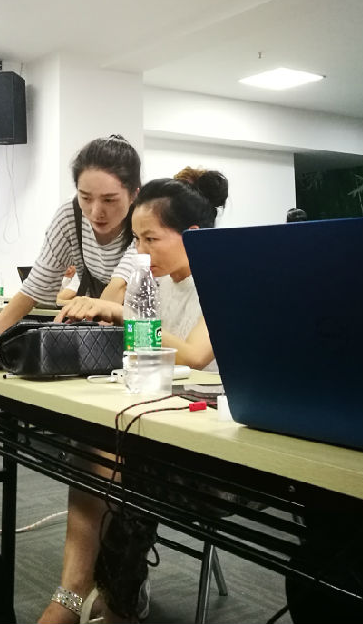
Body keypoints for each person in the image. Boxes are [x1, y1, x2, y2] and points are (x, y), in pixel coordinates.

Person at [40, 168, 228, 624]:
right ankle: (82, 593)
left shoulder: (224, 277)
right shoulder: (156, 283)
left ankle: (107, 599)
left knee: (117, 455)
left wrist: (123, 313)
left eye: (151, 239)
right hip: (164, 421)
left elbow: (196, 355)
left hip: (214, 442)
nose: (141, 252)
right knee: (95, 442)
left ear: (192, 235)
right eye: (137, 240)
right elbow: (144, 348)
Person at [0, 135, 142, 344]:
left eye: (109, 200)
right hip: (102, 335)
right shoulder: (71, 215)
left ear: (134, 195)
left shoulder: (145, 222)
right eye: (85, 197)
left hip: (146, 335)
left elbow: (119, 286)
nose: (96, 212)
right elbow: (33, 289)